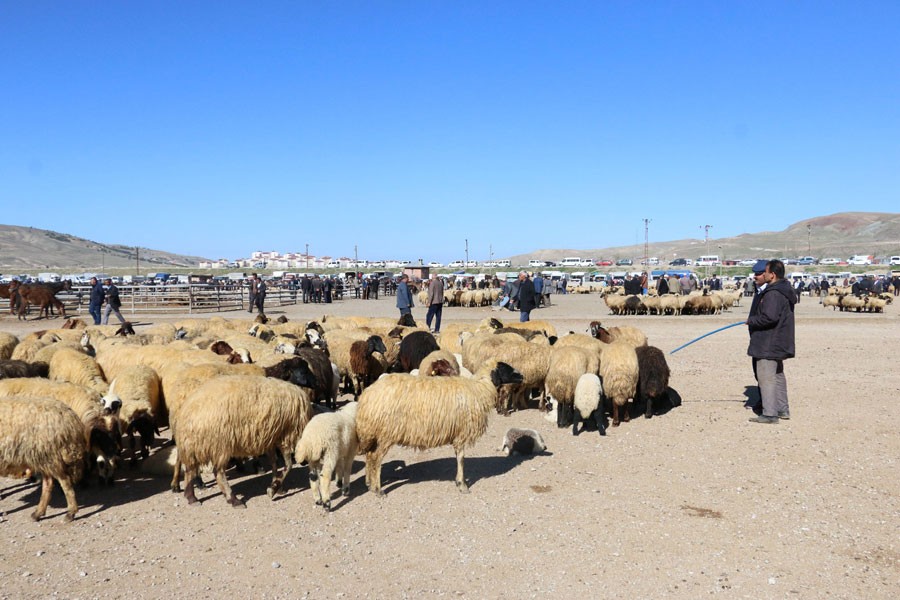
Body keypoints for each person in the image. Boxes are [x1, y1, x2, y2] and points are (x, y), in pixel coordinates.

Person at [746, 259, 796, 424]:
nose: (763, 274)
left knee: (766, 377)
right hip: (778, 340)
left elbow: (770, 317)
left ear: (772, 275)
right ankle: (782, 408)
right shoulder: (783, 290)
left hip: (768, 341)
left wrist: (752, 321)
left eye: (765, 272)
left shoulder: (773, 293)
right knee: (777, 375)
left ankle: (770, 414)